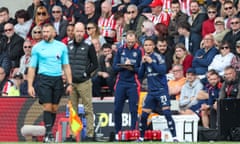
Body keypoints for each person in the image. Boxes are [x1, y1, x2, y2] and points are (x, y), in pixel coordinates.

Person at [27, 23, 73, 142]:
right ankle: (48, 133)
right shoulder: (37, 47)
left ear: (54, 33)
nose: (45, 34)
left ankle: (48, 134)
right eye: (44, 32)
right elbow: (32, 68)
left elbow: (66, 66)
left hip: (57, 79)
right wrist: (30, 85)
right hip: (43, 79)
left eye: (48, 31)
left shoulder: (61, 46)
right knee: (47, 106)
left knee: (54, 108)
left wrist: (69, 83)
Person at [138, 38, 178, 142]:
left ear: (153, 46)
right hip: (151, 92)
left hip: (161, 90)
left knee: (167, 113)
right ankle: (141, 138)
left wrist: (152, 63)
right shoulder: (144, 59)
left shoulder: (158, 57)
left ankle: (175, 137)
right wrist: (142, 64)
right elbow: (140, 76)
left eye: (149, 45)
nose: (147, 47)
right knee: (144, 116)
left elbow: (162, 71)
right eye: (145, 45)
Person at [67, 22, 98, 141]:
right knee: (73, 110)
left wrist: (86, 73)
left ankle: (90, 135)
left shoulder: (89, 45)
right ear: (73, 32)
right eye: (77, 31)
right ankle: (73, 135)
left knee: (88, 109)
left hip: (84, 82)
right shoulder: (68, 45)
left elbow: (95, 64)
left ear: (84, 32)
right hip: (72, 83)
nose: (79, 33)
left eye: (81, 31)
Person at [113, 31, 142, 140]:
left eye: (132, 41)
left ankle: (133, 133)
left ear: (135, 40)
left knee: (133, 110)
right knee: (117, 109)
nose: (130, 43)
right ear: (125, 40)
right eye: (128, 41)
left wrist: (132, 68)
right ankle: (117, 133)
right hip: (121, 82)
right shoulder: (120, 50)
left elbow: (141, 70)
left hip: (133, 83)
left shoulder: (139, 51)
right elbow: (114, 67)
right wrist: (124, 66)